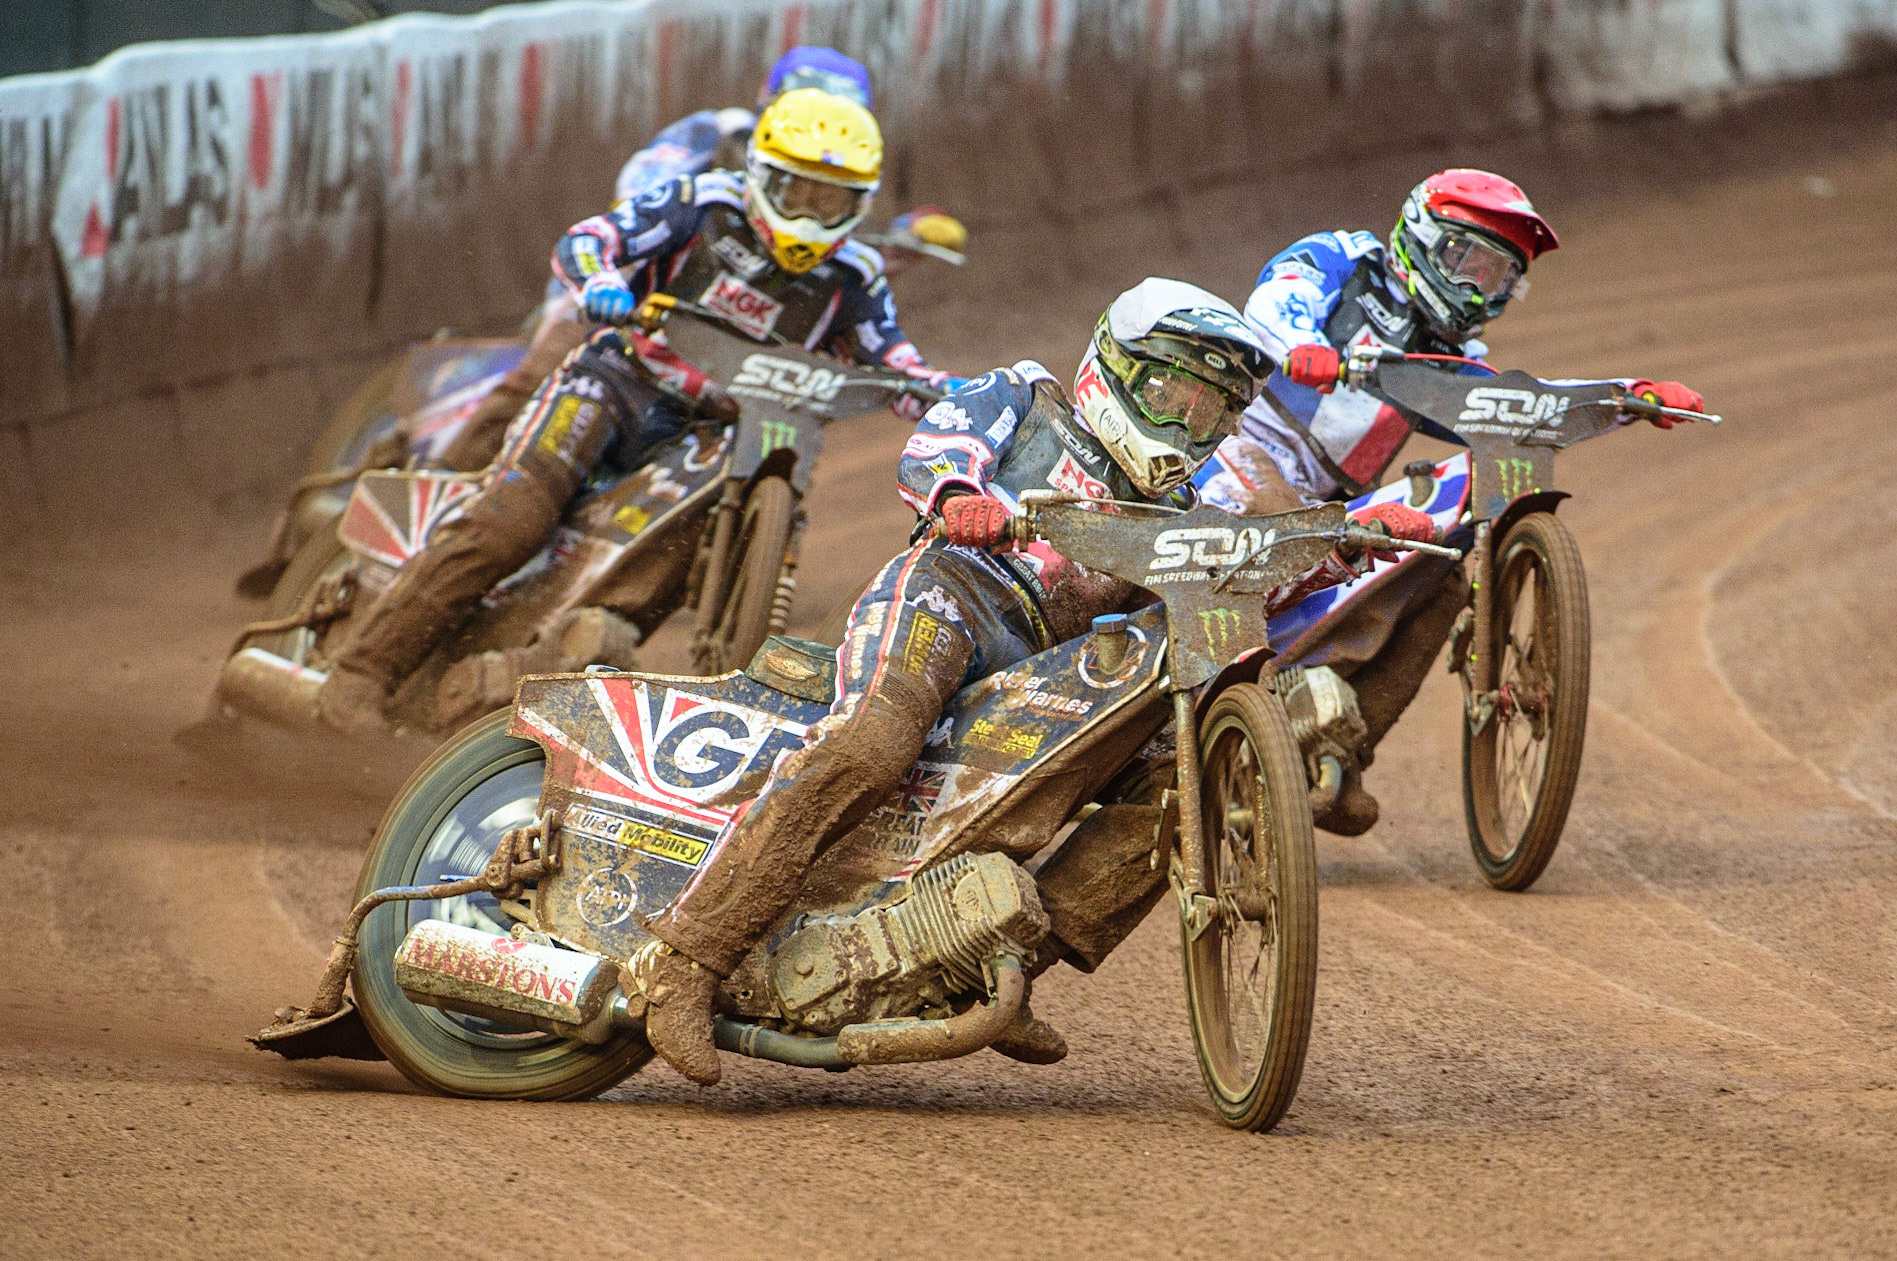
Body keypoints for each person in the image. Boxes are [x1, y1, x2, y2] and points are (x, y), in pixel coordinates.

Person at [625, 277, 1395, 1086]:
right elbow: (937, 443)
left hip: (1052, 665)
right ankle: (684, 959)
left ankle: (998, 961)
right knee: (872, 742)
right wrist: (960, 494)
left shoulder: (1184, 508)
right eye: (1170, 394)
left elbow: (1246, 578)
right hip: (953, 592)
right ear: (1116, 368)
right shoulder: (1026, 396)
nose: (1184, 424)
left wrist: (1347, 547)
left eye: (1208, 411)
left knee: (1180, 780)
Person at [317, 88, 951, 733]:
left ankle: (547, 661)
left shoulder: (856, 274)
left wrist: (929, 388)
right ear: (763, 175)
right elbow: (592, 238)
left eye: (832, 201)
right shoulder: (702, 204)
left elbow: (889, 354)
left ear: (860, 204)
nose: (812, 218)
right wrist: (603, 281)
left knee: (676, 549)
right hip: (619, 382)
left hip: (721, 428)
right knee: (515, 516)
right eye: (799, 194)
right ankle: (363, 671)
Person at [1194, 169, 1706, 833]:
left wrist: (1626, 397)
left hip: (1325, 505)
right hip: (1232, 450)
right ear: (1421, 239)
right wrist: (1304, 350)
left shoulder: (1452, 354)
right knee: (1276, 503)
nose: (1473, 289)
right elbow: (1274, 304)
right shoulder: (1339, 261)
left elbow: (1520, 401)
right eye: (1465, 261)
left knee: (1436, 577)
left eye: (1495, 280)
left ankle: (1329, 760)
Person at [436, 47, 880, 472]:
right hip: (627, 286)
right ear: (772, 99)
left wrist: (906, 237)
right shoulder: (718, 133)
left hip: (723, 322)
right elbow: (639, 190)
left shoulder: (837, 175)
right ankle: (443, 480)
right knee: (545, 372)